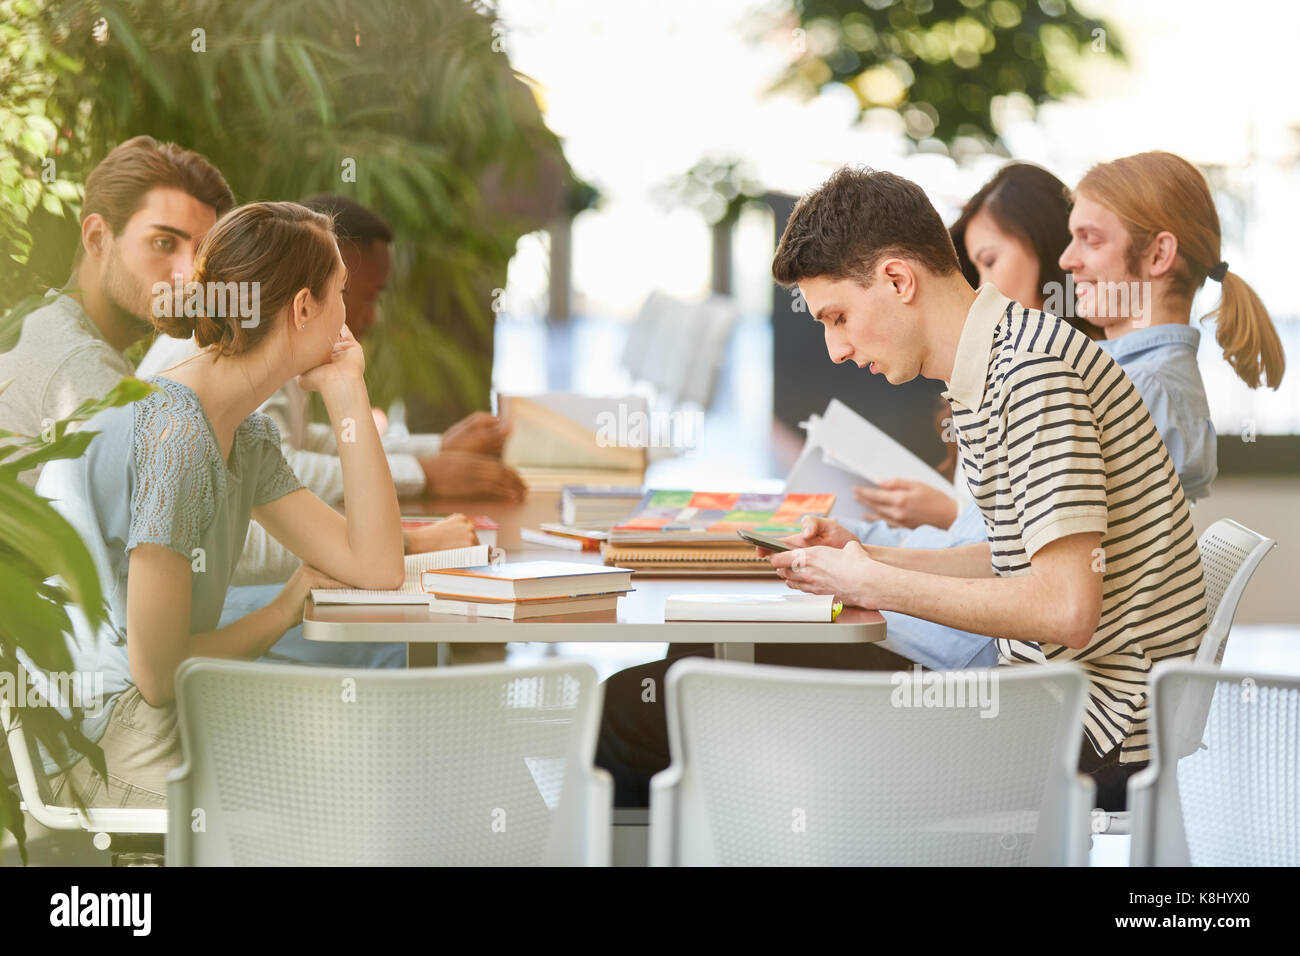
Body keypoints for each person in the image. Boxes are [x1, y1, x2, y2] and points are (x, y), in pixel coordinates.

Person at [601, 166, 1211, 812]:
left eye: (838, 317)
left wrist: (875, 584)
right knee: (692, 669)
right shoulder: (996, 364)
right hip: (1050, 709)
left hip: (1082, 736)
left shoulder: (1031, 375)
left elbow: (1066, 608)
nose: (835, 349)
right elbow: (1007, 557)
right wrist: (865, 555)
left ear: (897, 279)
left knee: (646, 705)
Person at [26, 201, 405, 808]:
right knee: (358, 785)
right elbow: (156, 674)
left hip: (153, 708)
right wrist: (282, 612)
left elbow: (378, 567)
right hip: (98, 742)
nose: (349, 316)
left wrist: (347, 389)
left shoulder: (240, 433)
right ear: (303, 308)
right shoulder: (175, 433)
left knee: (377, 757)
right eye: (341, 293)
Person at [0, 136, 233, 485]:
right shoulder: (78, 363)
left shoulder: (49, 324)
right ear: (97, 238)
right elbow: (183, 524)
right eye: (163, 243)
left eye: (201, 253)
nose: (189, 274)